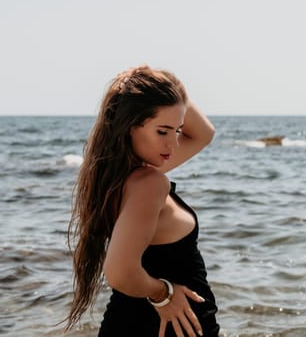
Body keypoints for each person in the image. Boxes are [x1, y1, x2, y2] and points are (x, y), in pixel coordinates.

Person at [65, 65, 219, 337]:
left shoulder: (115, 177)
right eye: (162, 131)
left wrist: (171, 84)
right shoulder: (149, 183)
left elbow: (203, 133)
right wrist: (164, 295)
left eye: (177, 130)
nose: (172, 144)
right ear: (130, 125)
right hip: (157, 326)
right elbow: (119, 272)